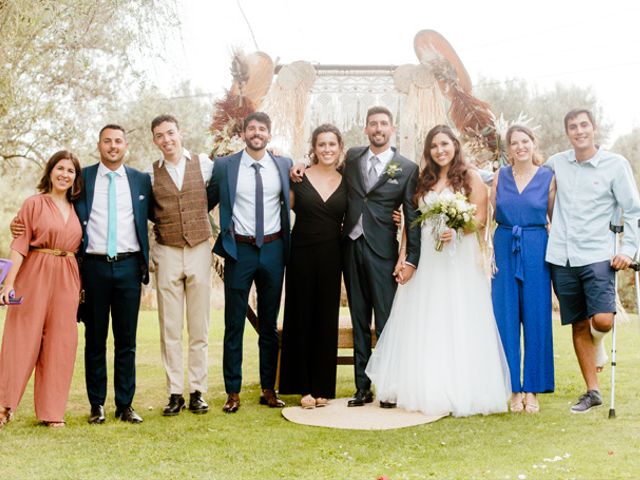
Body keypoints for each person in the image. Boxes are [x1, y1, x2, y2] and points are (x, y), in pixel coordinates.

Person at [366, 124, 510, 417]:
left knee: (456, 315)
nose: (440, 150)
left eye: (444, 144)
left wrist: (458, 230)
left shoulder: (470, 177)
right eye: (434, 146)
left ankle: (459, 387)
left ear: (454, 145)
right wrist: (404, 257)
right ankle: (424, 384)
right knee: (425, 316)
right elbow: (411, 220)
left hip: (459, 257)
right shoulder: (423, 179)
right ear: (428, 151)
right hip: (429, 257)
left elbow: (481, 218)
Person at [546, 108, 640, 413]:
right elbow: (526, 176)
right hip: (562, 255)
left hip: (598, 254)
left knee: (602, 319)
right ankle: (592, 391)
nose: (579, 131)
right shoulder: (556, 163)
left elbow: (634, 210)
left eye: (583, 125)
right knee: (577, 323)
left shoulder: (615, 165)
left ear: (593, 128)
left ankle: (598, 344)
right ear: (567, 132)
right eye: (572, 126)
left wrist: (630, 250)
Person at [207, 112, 293, 413]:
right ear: (243, 133)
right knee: (234, 324)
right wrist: (215, 236)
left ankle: (269, 388)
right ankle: (233, 391)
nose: (257, 133)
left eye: (262, 129)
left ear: (269, 134)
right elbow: (205, 203)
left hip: (273, 249)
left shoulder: (283, 164)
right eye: (252, 128)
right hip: (239, 251)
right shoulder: (225, 166)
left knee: (269, 324)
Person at [338, 106, 421, 408]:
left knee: (385, 321)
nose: (378, 128)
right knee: (358, 318)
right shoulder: (351, 159)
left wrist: (410, 259)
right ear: (366, 128)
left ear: (392, 128)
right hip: (351, 246)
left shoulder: (407, 168)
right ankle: (362, 387)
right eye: (373, 124)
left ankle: (387, 386)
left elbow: (412, 217)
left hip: (384, 250)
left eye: (383, 124)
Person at [0, 151, 83, 429]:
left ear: (75, 177)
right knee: (20, 339)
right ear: (50, 171)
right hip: (35, 271)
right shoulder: (33, 204)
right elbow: (20, 244)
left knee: (61, 343)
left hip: (67, 275)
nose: (64, 174)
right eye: (60, 168)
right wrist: (8, 283)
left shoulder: (77, 208)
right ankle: (3, 405)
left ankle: (52, 412)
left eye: (70, 171)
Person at [77, 125, 152, 423]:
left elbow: (161, 212)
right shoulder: (83, 177)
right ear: (98, 145)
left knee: (126, 340)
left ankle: (125, 405)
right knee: (95, 339)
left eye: (118, 141)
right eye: (107, 141)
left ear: (126, 146)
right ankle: (97, 404)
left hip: (129, 266)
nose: (112, 146)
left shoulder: (140, 180)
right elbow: (56, 200)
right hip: (93, 266)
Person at [147, 115, 214, 416]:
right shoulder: (150, 176)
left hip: (199, 246)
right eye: (160, 135)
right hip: (168, 250)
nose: (167, 139)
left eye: (170, 133)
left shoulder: (206, 165)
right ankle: (175, 392)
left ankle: (198, 390)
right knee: (170, 328)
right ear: (154, 140)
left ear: (180, 133)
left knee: (199, 326)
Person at [279, 124, 348, 408]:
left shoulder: (348, 180)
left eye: (332, 144)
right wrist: (288, 165)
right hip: (302, 253)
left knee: (325, 318)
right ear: (314, 147)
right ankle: (303, 386)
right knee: (301, 316)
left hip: (333, 254)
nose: (327, 149)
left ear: (340, 148)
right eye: (322, 144)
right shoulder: (298, 176)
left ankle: (323, 387)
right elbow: (282, 204)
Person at [490, 125, 556, 414]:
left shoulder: (548, 178)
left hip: (536, 247)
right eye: (514, 143)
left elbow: (556, 220)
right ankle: (512, 389)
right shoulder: (499, 177)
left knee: (536, 318)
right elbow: (485, 217)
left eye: (525, 141)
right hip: (504, 246)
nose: (520, 147)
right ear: (508, 149)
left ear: (533, 144)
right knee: (505, 317)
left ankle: (533, 389)